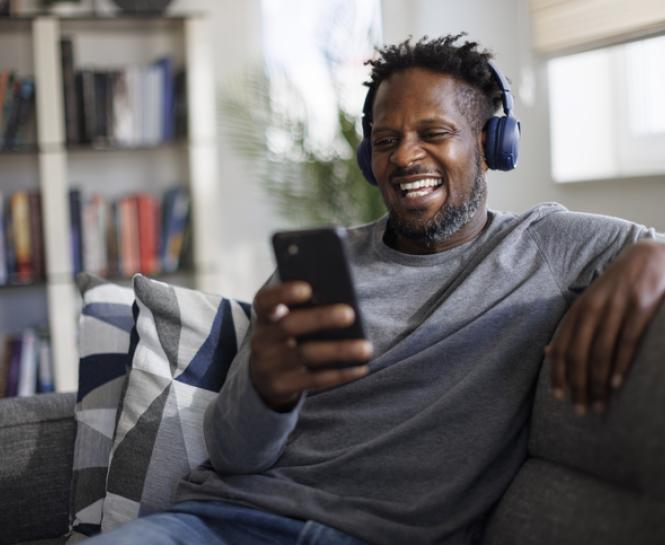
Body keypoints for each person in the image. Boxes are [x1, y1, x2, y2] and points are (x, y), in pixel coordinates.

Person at [83, 34, 665, 545]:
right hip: (221, 522)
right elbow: (236, 455)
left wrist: (650, 258)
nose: (405, 157)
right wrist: (267, 388)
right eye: (386, 141)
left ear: (492, 145)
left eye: (433, 133)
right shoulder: (313, 267)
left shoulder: (546, 246)